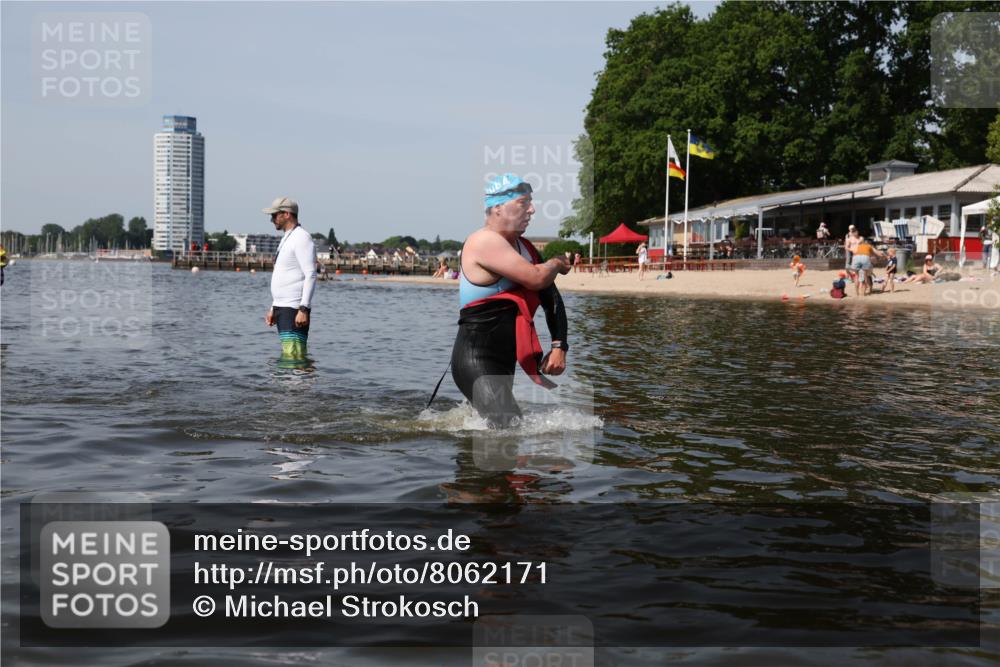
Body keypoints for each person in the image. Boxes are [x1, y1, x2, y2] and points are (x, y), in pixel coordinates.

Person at [451, 173, 571, 428]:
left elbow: (551, 298)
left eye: (532, 202)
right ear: (497, 207)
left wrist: (560, 345)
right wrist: (557, 262)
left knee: (505, 429)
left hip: (505, 359)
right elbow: (536, 279)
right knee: (509, 427)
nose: (533, 209)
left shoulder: (524, 246)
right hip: (475, 357)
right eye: (523, 202)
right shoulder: (483, 241)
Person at [262, 197, 316, 361]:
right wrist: (273, 307)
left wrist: (303, 309)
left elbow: (310, 274)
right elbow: (283, 274)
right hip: (282, 306)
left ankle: (298, 386)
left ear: (286, 214)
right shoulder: (287, 238)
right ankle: (289, 386)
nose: (271, 220)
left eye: (274, 215)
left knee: (294, 357)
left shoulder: (301, 237)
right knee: (289, 355)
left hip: (294, 308)